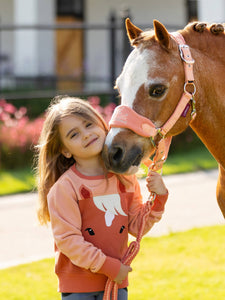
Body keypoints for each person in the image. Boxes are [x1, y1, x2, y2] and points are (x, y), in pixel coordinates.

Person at [35, 95, 168, 300]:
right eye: (74, 134)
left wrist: (159, 197)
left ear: (101, 123)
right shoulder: (65, 189)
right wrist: (111, 267)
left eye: (89, 125)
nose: (86, 135)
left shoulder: (124, 179)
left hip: (116, 284)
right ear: (65, 150)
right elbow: (69, 240)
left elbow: (136, 225)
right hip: (79, 288)